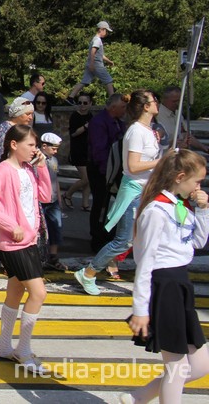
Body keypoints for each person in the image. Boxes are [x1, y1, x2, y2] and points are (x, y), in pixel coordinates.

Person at [121, 149, 209, 404]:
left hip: (181, 284)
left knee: (201, 364)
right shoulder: (156, 211)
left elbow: (199, 242)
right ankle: (140, 398)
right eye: (197, 181)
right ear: (180, 177)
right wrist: (140, 309)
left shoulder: (181, 206)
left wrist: (203, 210)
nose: (199, 186)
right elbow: (145, 262)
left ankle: (138, 397)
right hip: (165, 286)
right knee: (178, 366)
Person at [0, 124, 52, 373]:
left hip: (28, 240)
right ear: (13, 145)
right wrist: (11, 224)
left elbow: (45, 196)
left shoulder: (28, 169)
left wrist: (42, 168)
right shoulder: (3, 171)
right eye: (30, 145)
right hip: (12, 242)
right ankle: (23, 348)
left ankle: (4, 346)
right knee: (39, 293)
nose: (35, 149)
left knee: (16, 291)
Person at [75, 90, 162, 295]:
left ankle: (147, 278)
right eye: (153, 101)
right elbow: (132, 166)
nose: (157, 103)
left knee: (144, 237)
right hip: (134, 192)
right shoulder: (136, 132)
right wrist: (161, 161)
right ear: (145, 107)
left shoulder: (147, 130)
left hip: (146, 191)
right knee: (123, 241)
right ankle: (88, 272)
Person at [86, 93, 128, 252]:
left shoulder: (119, 122)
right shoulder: (99, 122)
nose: (125, 110)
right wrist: (107, 173)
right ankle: (97, 237)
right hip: (102, 170)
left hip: (116, 169)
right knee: (100, 203)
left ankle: (108, 234)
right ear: (113, 108)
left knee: (115, 203)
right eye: (122, 107)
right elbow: (99, 149)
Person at [67, 21, 116, 104]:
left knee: (84, 81)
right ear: (102, 29)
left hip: (91, 64)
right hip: (96, 65)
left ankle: (70, 97)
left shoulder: (94, 39)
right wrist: (92, 64)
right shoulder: (97, 40)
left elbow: (100, 55)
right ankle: (113, 100)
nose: (106, 33)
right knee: (108, 80)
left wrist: (109, 61)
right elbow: (93, 51)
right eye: (106, 31)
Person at [38, 132, 67, 272]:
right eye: (53, 148)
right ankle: (39, 258)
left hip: (53, 200)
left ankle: (53, 257)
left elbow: (56, 180)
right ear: (44, 146)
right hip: (41, 200)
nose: (55, 151)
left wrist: (59, 198)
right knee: (40, 230)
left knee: (56, 227)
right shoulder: (37, 160)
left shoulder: (54, 161)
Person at [64, 93, 93, 212]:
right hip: (77, 151)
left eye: (85, 103)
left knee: (89, 179)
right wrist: (86, 127)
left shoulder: (91, 115)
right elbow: (73, 133)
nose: (82, 105)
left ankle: (85, 204)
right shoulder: (75, 116)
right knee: (85, 178)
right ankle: (68, 194)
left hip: (88, 151)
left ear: (90, 104)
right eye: (79, 103)